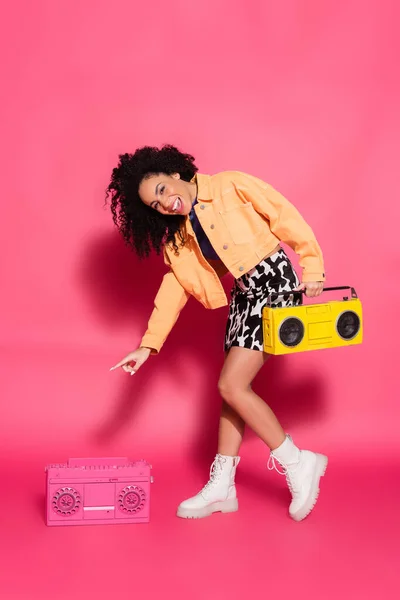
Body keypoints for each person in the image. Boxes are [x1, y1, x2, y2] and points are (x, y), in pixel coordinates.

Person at [106, 144, 328, 522]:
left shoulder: (230, 186)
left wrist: (313, 267)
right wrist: (148, 346)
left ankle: (297, 461)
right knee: (231, 395)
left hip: (275, 284)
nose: (165, 204)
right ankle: (222, 486)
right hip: (244, 295)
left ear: (173, 175)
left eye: (161, 191)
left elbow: (283, 215)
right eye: (155, 206)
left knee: (231, 385)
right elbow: (174, 287)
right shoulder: (178, 238)